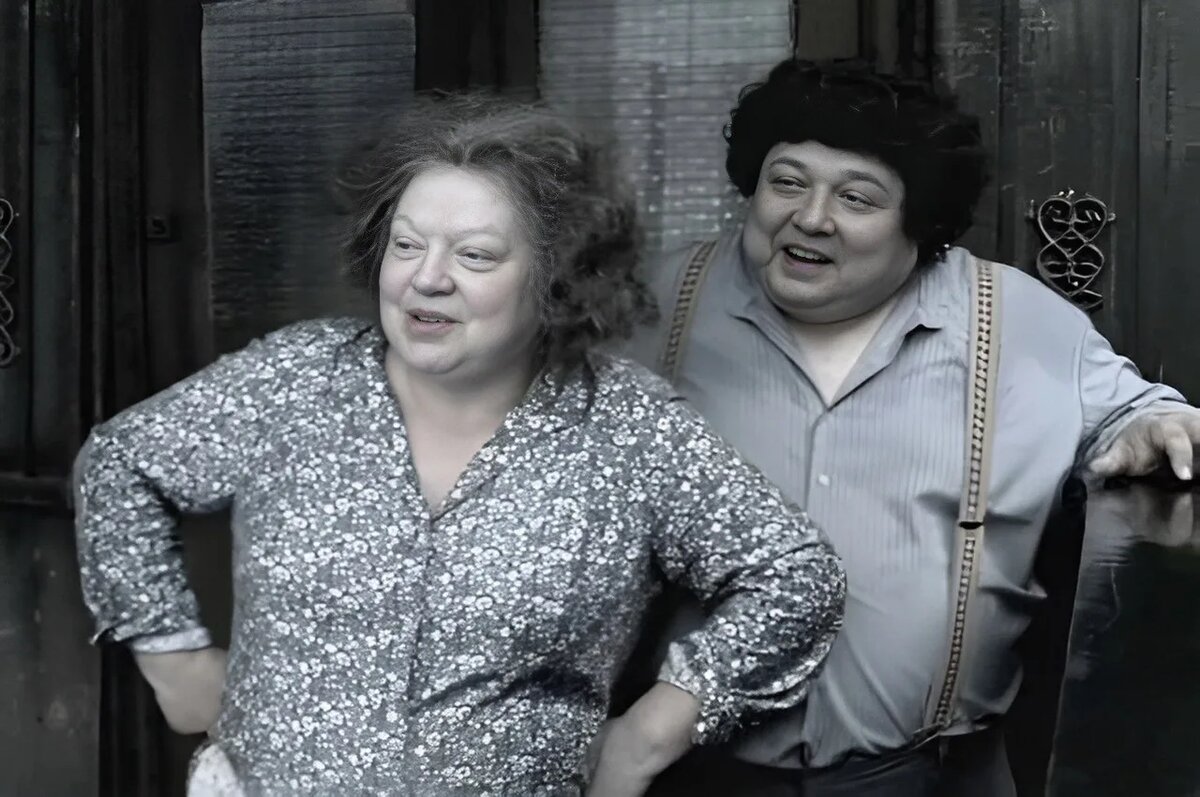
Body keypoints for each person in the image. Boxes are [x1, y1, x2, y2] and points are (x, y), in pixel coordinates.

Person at [72, 98, 846, 796]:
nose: (426, 280)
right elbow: (120, 462)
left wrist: (650, 733)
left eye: (474, 255)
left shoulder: (629, 426)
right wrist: (171, 653)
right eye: (406, 245)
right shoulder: (296, 378)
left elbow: (795, 578)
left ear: (558, 276)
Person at [622, 59, 1200, 796]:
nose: (811, 217)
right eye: (787, 182)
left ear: (920, 223)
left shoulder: (1017, 322)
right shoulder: (651, 308)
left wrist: (1158, 421)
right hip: (679, 775)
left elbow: (1135, 412)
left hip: (933, 776)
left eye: (856, 197)